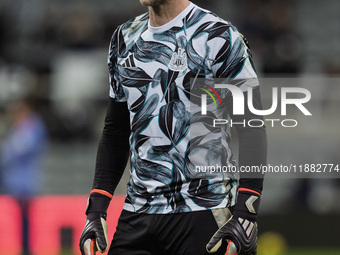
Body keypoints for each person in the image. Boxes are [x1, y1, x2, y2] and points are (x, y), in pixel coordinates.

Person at [79, 0, 267, 254]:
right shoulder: (124, 37)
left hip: (205, 212)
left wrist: (246, 212)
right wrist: (97, 207)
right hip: (138, 212)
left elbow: (251, 127)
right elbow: (116, 130)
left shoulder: (219, 36)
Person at [0, 98, 47, 255]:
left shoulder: (31, 126)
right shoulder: (20, 128)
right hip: (15, 180)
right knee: (21, 218)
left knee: (25, 217)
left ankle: (26, 249)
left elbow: (18, 149)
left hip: (24, 182)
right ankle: (24, 248)